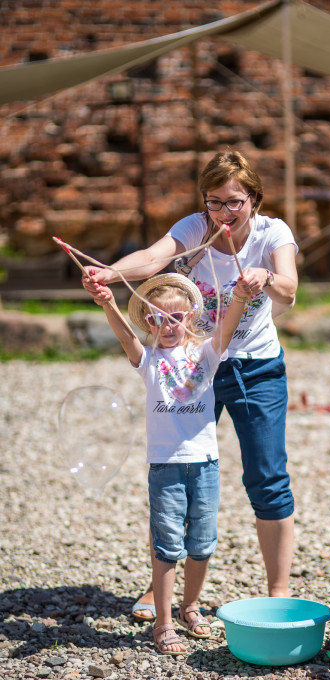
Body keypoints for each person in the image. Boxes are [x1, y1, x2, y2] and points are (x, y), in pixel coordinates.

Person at [82, 149, 298, 620]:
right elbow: (153, 258)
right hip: (194, 365)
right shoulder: (195, 229)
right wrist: (111, 273)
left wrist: (265, 276)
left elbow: (289, 289)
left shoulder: (272, 233)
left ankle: (278, 591)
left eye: (234, 202)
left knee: (267, 477)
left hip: (256, 367)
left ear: (254, 199)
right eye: (214, 202)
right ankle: (158, 588)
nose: (223, 213)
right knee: (176, 475)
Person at [86, 272, 251, 653]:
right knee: (167, 546)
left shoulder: (206, 353)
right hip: (165, 466)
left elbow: (228, 327)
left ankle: (189, 606)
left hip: (205, 464)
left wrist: (241, 297)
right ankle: (163, 622)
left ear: (190, 317)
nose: (168, 325)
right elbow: (125, 337)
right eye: (158, 318)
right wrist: (108, 303)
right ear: (148, 321)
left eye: (176, 317)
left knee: (203, 544)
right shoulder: (149, 360)